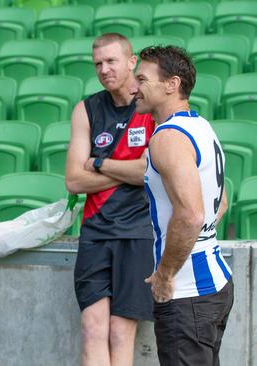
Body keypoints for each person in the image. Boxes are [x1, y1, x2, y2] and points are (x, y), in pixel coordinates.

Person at [133, 45, 234, 366]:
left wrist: (164, 274)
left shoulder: (168, 137)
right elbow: (220, 200)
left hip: (187, 291)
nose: (134, 88)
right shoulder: (201, 126)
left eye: (142, 79)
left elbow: (191, 215)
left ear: (171, 84)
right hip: (215, 282)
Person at [65, 33, 156, 366]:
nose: (104, 70)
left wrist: (100, 163)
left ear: (132, 62)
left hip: (138, 231)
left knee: (120, 333)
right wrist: (128, 170)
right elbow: (74, 180)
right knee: (92, 328)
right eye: (98, 64)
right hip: (95, 231)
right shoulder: (86, 109)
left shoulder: (151, 105)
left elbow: (152, 171)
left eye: (111, 61)